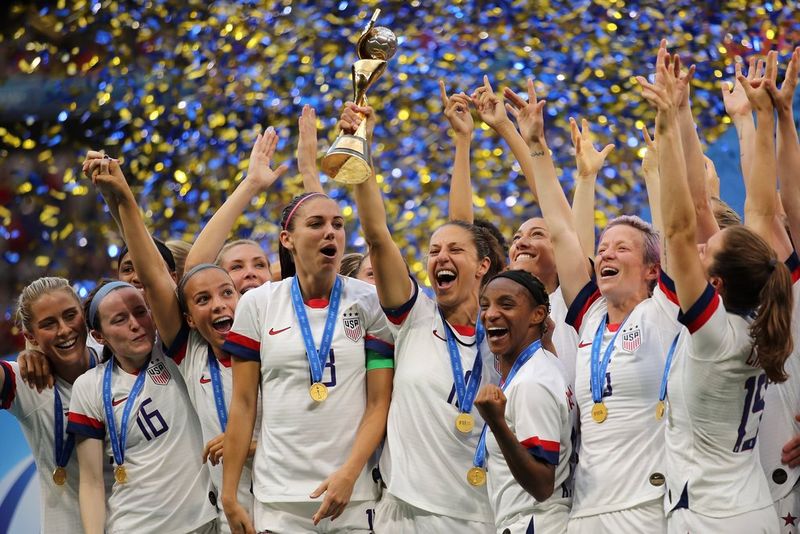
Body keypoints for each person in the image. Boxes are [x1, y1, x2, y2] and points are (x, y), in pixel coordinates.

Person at [479, 74, 679, 532]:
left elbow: (675, 236)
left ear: (652, 269)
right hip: (584, 512)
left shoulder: (663, 314)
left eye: (621, 248)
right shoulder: (588, 319)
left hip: (646, 510)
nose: (605, 253)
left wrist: (665, 150)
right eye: (603, 248)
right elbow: (564, 230)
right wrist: (535, 146)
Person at [640, 46, 792, 533]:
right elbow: (749, 211)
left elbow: (681, 229)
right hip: (749, 508)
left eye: (708, 254)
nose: (697, 251)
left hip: (713, 518)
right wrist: (682, 111)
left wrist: (667, 124)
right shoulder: (758, 320)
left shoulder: (713, 335)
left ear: (717, 283)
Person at [81, 149, 265, 532]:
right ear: (187, 317)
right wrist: (122, 196)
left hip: (282, 504)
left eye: (227, 293)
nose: (218, 305)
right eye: (202, 300)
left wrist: (247, 445)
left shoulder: (273, 340)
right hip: (223, 518)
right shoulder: (189, 353)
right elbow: (157, 278)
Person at [341, 99, 503, 533]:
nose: (440, 258)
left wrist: (463, 142)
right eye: (433, 251)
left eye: (453, 251)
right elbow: (377, 235)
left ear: (483, 265)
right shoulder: (415, 317)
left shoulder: (505, 334)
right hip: (408, 513)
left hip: (484, 515)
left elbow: (463, 225)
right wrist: (362, 146)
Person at [221, 190, 395, 533]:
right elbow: (242, 405)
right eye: (316, 224)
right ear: (288, 239)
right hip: (279, 499)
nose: (331, 232)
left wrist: (349, 474)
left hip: (352, 494)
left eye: (338, 224)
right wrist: (230, 495)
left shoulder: (370, 301)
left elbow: (379, 403)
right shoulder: (258, 304)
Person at [67, 280, 217, 534]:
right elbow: (92, 482)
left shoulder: (178, 354)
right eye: (119, 320)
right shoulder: (89, 386)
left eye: (140, 311)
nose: (136, 324)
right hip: (133, 526)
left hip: (204, 523)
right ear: (99, 336)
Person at [0, 277, 105, 533]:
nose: (64, 330)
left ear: (84, 315)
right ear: (30, 336)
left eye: (70, 315)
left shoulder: (115, 358)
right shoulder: (25, 382)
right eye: (48, 324)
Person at [475, 270, 575, 534]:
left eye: (506, 304)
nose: (491, 314)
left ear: (538, 314)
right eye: (485, 306)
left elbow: (542, 484)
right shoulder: (547, 364)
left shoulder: (532, 383)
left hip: (534, 521)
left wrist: (497, 424)